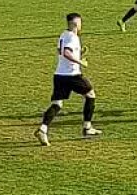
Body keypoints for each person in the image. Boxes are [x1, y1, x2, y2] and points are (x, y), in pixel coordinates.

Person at [36, 13, 102, 146]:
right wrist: (80, 61)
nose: (81, 24)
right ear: (76, 23)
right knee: (90, 95)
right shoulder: (72, 37)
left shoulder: (64, 35)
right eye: (80, 22)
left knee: (57, 104)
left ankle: (43, 129)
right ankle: (87, 127)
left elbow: (59, 51)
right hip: (72, 75)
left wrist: (78, 53)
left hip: (59, 75)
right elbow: (66, 53)